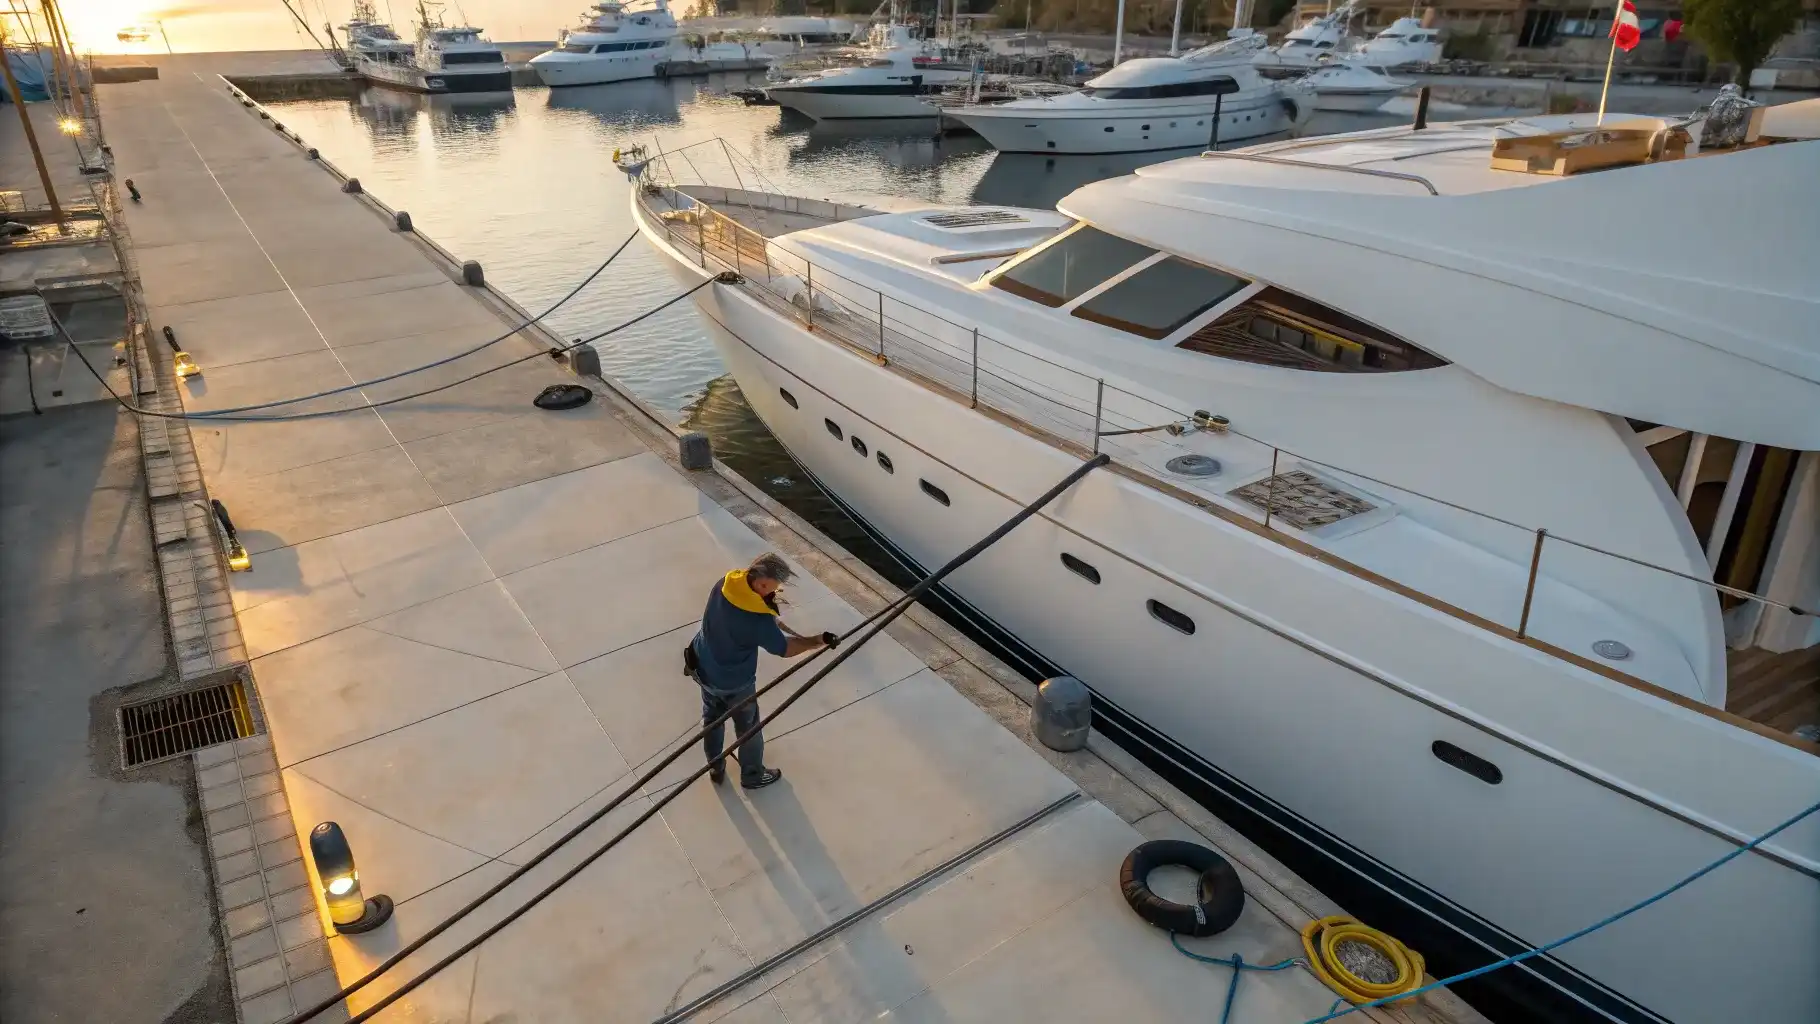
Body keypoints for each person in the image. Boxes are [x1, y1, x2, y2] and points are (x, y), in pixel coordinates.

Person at [685, 552, 835, 789]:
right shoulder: (757, 620)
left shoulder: (725, 583)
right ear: (759, 582)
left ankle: (715, 767)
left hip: (703, 666)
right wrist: (816, 641)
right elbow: (784, 648)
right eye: (769, 589)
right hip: (735, 682)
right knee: (749, 726)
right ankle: (752, 775)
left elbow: (751, 607)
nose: (770, 594)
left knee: (712, 718)